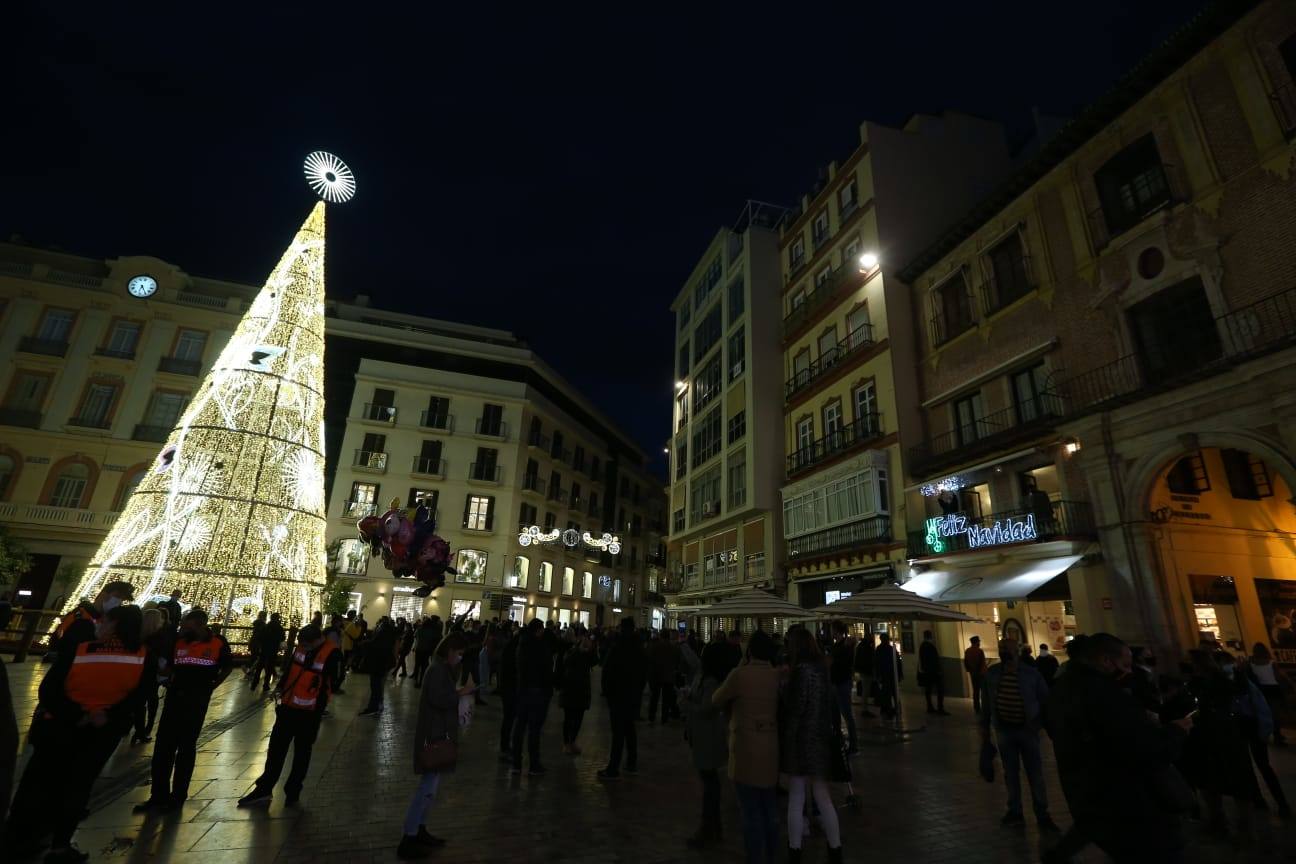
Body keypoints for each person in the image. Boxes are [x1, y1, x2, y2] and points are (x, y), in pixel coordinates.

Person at [3, 604, 153, 863]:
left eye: (104, 620)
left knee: (42, 780)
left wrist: (77, 713)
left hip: (63, 726)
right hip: (102, 731)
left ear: (114, 623)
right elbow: (140, 696)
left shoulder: (82, 649)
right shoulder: (142, 655)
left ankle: (21, 838)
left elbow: (50, 689)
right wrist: (106, 715)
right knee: (79, 784)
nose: (100, 624)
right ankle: (60, 844)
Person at [1044, 633, 1192, 864]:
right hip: (1129, 805)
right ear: (1105, 660)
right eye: (1125, 663)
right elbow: (1143, 749)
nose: (1130, 670)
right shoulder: (1105, 695)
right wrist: (1176, 732)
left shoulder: (1062, 689)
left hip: (1089, 795)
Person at [136, 608, 232, 811]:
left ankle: (178, 796)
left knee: (186, 748)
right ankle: (158, 796)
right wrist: (163, 671)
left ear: (198, 624)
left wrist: (212, 686)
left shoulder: (217, 643)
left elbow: (228, 666)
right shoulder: (178, 642)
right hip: (174, 697)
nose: (181, 627)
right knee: (163, 748)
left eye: (186, 624)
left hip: (196, 701)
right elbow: (170, 665)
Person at [238, 623, 339, 807]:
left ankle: (293, 792)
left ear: (318, 640)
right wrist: (280, 687)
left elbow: (333, 682)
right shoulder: (302, 646)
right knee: (276, 750)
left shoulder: (332, 653)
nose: (304, 647)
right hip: (288, 707)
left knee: (301, 754)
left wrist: (319, 703)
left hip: (310, 713)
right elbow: (291, 668)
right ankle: (264, 789)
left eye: (308, 645)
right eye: (302, 644)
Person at [398, 631, 471, 860]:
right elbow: (439, 699)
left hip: (438, 732)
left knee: (431, 788)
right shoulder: (437, 670)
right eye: (459, 654)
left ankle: (419, 828)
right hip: (434, 735)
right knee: (426, 789)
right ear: (449, 651)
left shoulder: (442, 669)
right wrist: (461, 693)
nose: (460, 658)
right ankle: (409, 835)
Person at [713, 630, 781, 864]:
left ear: (749, 650)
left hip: (745, 749)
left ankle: (755, 857)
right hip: (770, 747)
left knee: (750, 812)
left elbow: (717, 699)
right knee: (770, 809)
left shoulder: (740, 675)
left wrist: (742, 664)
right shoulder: (776, 676)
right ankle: (773, 854)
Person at [782, 628, 844, 864]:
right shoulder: (822, 669)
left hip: (800, 742)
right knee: (823, 797)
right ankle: (835, 849)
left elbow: (796, 709)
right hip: (820, 739)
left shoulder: (800, 672)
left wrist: (785, 687)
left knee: (796, 797)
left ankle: (795, 850)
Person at [981, 638, 1056, 831]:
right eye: (1000, 648)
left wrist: (1040, 725)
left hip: (1027, 730)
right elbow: (987, 705)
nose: (1003, 651)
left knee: (1035, 773)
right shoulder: (992, 674)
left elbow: (1045, 701)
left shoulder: (1031, 674)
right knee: (1010, 773)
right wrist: (985, 734)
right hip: (1004, 730)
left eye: (1006, 648)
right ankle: (1015, 810)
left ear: (1016, 650)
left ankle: (1042, 813)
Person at [683, 639, 729, 850]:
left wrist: (687, 701)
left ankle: (708, 828)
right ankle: (714, 827)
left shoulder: (712, 681)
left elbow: (705, 708)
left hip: (708, 738)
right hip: (704, 736)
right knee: (710, 783)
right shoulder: (708, 676)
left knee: (709, 784)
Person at [598, 617, 646, 779]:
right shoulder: (639, 648)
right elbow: (642, 673)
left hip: (618, 695)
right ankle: (631, 762)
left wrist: (607, 691)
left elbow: (608, 670)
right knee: (630, 730)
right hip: (632, 695)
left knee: (618, 733)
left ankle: (613, 768)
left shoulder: (617, 646)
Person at [50, 579, 135, 661]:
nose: (119, 601)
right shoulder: (81, 618)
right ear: (103, 594)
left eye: (122, 599)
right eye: (118, 596)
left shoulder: (103, 619)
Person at [510, 618, 553, 775]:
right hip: (537, 691)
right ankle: (534, 764)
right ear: (539, 630)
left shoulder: (521, 644)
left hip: (523, 689)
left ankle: (516, 763)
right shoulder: (540, 646)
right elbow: (546, 669)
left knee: (520, 726)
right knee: (534, 729)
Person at [131, 607, 172, 745]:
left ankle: (139, 729)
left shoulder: (138, 636)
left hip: (138, 671)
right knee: (152, 698)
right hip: (152, 672)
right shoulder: (160, 636)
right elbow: (164, 654)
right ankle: (147, 727)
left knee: (139, 702)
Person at [560, 633, 596, 754]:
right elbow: (566, 662)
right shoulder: (572, 652)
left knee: (578, 718)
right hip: (570, 689)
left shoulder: (587, 654)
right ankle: (566, 743)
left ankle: (572, 741)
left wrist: (591, 648)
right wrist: (579, 650)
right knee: (569, 718)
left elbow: (595, 661)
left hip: (582, 691)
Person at [1249, 642, 1289, 746]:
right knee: (1276, 714)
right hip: (1273, 688)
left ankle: (1266, 733)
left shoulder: (1252, 663)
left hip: (1261, 689)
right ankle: (1277, 735)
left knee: (1264, 712)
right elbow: (1278, 677)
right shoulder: (1271, 663)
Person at [827, 622, 858, 753]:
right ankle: (839, 741)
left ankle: (853, 745)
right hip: (836, 682)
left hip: (842, 683)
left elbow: (841, 662)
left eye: (831, 630)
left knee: (846, 714)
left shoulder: (846, 645)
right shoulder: (839, 645)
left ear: (836, 631)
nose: (830, 632)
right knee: (835, 715)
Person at [361, 616, 398, 716]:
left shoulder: (384, 630)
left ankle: (374, 707)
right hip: (384, 662)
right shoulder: (388, 630)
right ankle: (378, 705)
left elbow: (377, 644)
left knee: (376, 685)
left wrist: (365, 643)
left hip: (380, 663)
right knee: (378, 685)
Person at [647, 628, 681, 723]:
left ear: (661, 636)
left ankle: (651, 716)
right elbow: (677, 661)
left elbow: (650, 659)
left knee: (654, 697)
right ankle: (664, 718)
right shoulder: (674, 647)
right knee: (666, 699)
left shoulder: (655, 646)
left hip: (656, 675)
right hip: (669, 676)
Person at [497, 624, 520, 758]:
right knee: (509, 718)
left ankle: (505, 744)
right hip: (510, 689)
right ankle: (505, 745)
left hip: (507, 689)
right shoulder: (513, 653)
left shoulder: (508, 650)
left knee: (509, 718)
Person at [250, 613, 285, 692]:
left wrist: (262, 645)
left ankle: (254, 683)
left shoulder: (266, 626)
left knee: (260, 667)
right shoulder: (279, 627)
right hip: (273, 650)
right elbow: (283, 637)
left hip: (264, 649)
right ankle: (266, 685)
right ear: (278, 618)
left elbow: (260, 637)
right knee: (269, 668)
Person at [919, 629, 948, 716]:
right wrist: (938, 670)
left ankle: (930, 706)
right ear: (930, 637)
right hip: (933, 672)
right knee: (940, 689)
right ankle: (940, 708)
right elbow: (934, 660)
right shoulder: (930, 646)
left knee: (928, 690)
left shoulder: (922, 646)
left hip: (926, 672)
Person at [873, 632, 902, 716]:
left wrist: (877, 675)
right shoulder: (891, 649)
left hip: (884, 675)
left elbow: (876, 663)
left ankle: (886, 708)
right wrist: (899, 674)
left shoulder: (879, 649)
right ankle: (895, 708)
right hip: (892, 674)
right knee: (893, 692)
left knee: (885, 692)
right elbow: (898, 662)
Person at [853, 632, 876, 717]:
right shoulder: (866, 647)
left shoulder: (861, 646)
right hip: (866, 671)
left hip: (863, 671)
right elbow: (868, 660)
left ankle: (864, 708)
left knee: (865, 690)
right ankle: (864, 709)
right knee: (866, 690)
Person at [964, 635, 988, 714]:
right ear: (977, 642)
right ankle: (984, 706)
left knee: (975, 690)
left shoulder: (967, 651)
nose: (979, 643)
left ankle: (976, 707)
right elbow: (981, 663)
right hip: (980, 674)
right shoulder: (979, 651)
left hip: (972, 674)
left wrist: (971, 670)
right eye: (979, 641)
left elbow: (966, 663)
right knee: (983, 690)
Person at [412, 617, 438, 687]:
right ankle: (421, 681)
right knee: (424, 666)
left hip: (419, 649)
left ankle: (416, 680)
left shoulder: (419, 629)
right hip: (427, 650)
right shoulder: (432, 631)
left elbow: (415, 636)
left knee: (417, 665)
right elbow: (433, 640)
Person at [245, 610, 267, 679]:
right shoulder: (263, 625)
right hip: (258, 643)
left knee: (254, 656)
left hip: (253, 642)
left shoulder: (256, 624)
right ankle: (249, 670)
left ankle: (249, 670)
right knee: (256, 657)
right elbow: (261, 635)